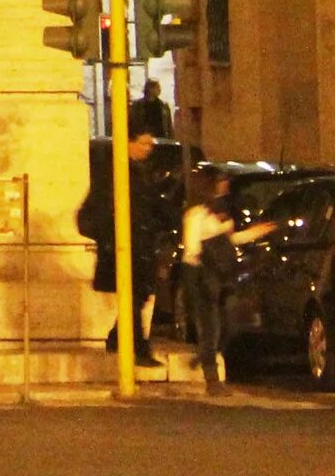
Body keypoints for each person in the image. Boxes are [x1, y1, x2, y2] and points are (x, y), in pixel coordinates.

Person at [81, 129, 176, 366]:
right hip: (124, 247)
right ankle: (137, 347)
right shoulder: (115, 172)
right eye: (143, 144)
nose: (148, 149)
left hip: (139, 246)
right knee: (133, 296)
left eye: (150, 145)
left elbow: (153, 205)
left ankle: (118, 338)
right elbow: (99, 207)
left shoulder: (138, 172)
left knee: (137, 295)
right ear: (128, 142)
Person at [177, 167, 272, 387]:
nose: (225, 184)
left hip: (220, 273)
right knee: (209, 324)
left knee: (227, 322)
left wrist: (255, 233)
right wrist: (212, 248)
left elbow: (230, 240)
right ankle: (212, 378)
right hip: (200, 273)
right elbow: (192, 248)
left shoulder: (218, 210)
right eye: (220, 180)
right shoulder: (196, 214)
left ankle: (204, 356)